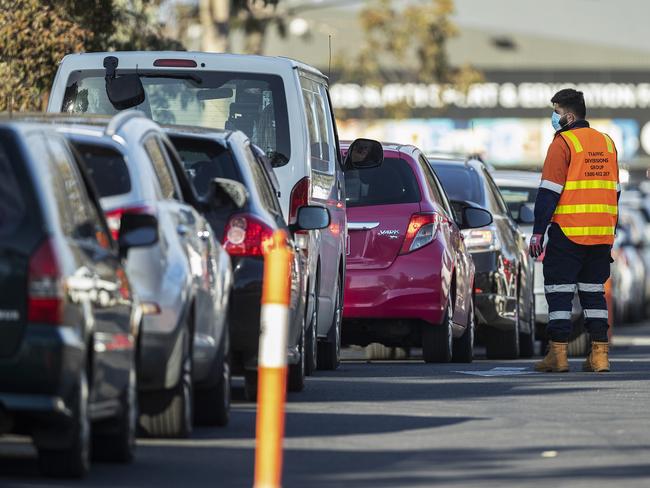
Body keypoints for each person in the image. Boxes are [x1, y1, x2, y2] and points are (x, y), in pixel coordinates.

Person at [529, 88, 619, 373]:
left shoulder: (563, 142)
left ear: (568, 115)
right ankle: (599, 355)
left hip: (568, 232)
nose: (554, 119)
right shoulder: (607, 143)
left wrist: (538, 232)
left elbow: (548, 193)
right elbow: (615, 191)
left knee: (559, 292)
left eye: (556, 113)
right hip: (601, 234)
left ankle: (558, 355)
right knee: (594, 293)